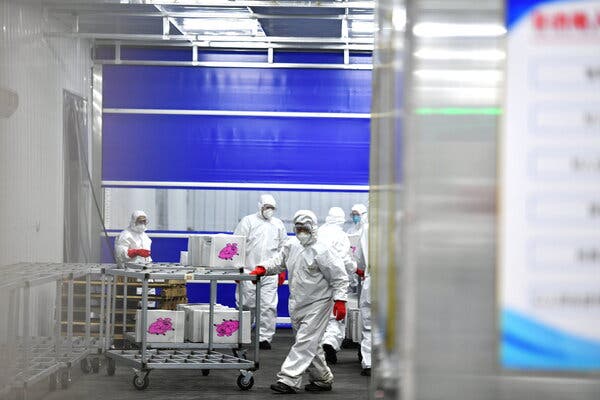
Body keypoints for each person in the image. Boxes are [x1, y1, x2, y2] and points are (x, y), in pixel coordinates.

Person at [249, 210, 349, 394]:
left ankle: (288, 379)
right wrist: (263, 268)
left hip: (319, 303)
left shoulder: (323, 249)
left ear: (313, 227)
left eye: (305, 227)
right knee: (311, 344)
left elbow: (340, 277)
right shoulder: (292, 244)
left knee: (305, 342)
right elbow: (278, 262)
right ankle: (322, 378)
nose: (301, 231)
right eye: (298, 227)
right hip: (297, 302)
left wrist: (340, 300)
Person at [234, 194, 287, 350]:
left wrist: (282, 270)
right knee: (246, 304)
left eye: (272, 208)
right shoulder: (248, 221)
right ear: (260, 206)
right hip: (249, 270)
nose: (269, 210)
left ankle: (264, 338)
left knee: (268, 306)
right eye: (266, 207)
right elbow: (237, 245)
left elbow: (283, 248)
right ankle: (243, 335)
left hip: (269, 272)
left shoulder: (278, 225)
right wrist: (237, 268)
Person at [318, 207, 356, 365]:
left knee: (320, 315)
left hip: (319, 281)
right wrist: (355, 269)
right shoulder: (342, 236)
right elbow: (345, 259)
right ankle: (330, 342)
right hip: (337, 280)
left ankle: (319, 347)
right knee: (336, 316)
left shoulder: (319, 232)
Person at [356, 216, 371, 376]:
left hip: (372, 279)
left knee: (370, 324)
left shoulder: (366, 229)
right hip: (396, 280)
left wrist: (361, 269)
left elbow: (359, 260)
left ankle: (370, 363)